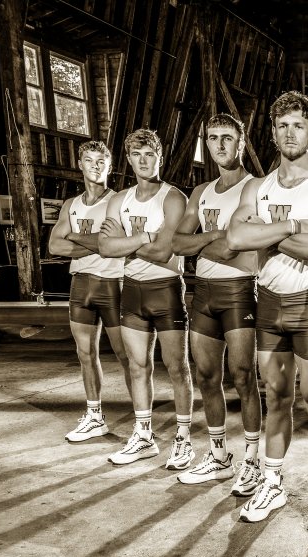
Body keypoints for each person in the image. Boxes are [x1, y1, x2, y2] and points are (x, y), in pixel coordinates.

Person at [226, 91, 308, 531]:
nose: (290, 132)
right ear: (273, 134)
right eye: (282, 126)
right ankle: (273, 482)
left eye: (298, 125)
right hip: (270, 302)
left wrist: (267, 233)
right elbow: (235, 239)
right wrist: (295, 226)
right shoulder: (258, 186)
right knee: (275, 396)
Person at [172, 114, 264, 497]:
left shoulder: (254, 187)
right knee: (207, 377)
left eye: (228, 138)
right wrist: (217, 237)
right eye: (213, 139)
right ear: (206, 144)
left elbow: (241, 252)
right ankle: (219, 455)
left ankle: (254, 462)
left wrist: (204, 243)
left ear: (241, 142)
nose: (221, 145)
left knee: (243, 377)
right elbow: (176, 243)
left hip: (240, 290)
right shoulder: (200, 192)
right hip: (204, 292)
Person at [97, 128, 193, 468]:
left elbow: (167, 252)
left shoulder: (173, 198)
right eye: (137, 155)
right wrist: (146, 236)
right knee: (138, 366)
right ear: (128, 159)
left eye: (149, 154)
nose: (143, 160)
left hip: (166, 288)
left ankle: (183, 439)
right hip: (132, 291)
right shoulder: (118, 199)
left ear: (159, 159)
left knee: (177, 367)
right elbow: (105, 247)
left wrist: (129, 240)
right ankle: (143, 435)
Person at [47, 140, 131, 443]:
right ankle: (95, 416)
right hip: (81, 284)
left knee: (126, 355)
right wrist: (94, 242)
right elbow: (54, 246)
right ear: (80, 165)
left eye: (101, 161)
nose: (95, 166)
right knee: (86, 353)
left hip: (114, 283)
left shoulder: (119, 201)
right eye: (89, 160)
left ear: (110, 167)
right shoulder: (71, 205)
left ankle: (141, 421)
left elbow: (111, 247)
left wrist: (76, 236)